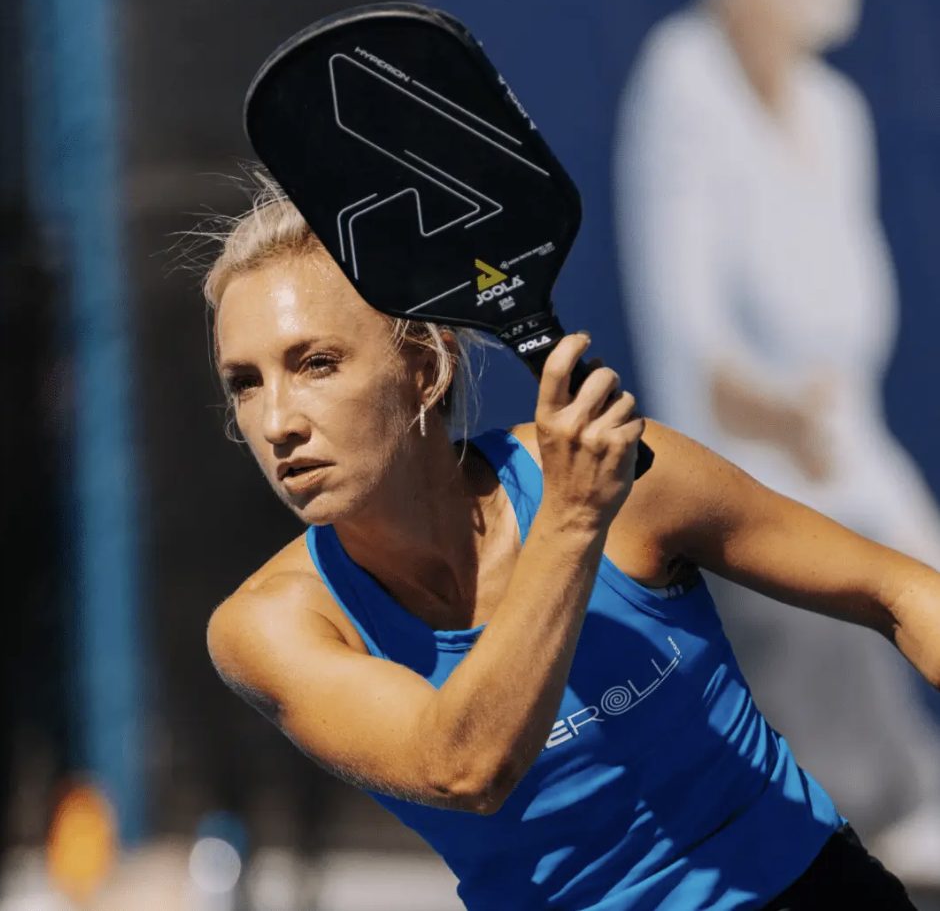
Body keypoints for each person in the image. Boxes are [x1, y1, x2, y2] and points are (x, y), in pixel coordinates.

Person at [200, 179, 936, 910]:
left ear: (426, 368)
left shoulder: (635, 486)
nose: (277, 422)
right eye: (245, 383)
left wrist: (573, 510)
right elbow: (463, 767)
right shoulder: (267, 626)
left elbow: (897, 590)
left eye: (315, 363)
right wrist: (575, 518)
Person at [613, 0, 940, 875]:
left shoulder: (838, 113)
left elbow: (848, 406)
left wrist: (907, 531)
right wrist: (782, 421)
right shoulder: (681, 77)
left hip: (851, 478)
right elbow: (693, 351)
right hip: (737, 504)